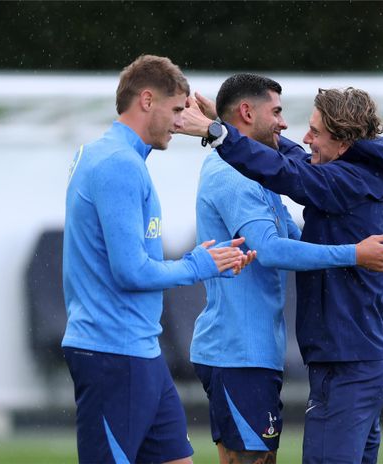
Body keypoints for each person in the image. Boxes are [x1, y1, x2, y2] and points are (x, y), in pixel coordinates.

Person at [181, 87, 383, 463]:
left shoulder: (340, 181)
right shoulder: (356, 176)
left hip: (346, 364)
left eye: (315, 132)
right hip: (358, 360)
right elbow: (290, 165)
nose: (303, 137)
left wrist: (217, 132)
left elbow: (286, 172)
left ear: (343, 143)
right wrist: (223, 127)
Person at [60, 55, 253, 464]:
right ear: (147, 100)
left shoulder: (107, 155)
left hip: (140, 351)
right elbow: (130, 271)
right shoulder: (118, 164)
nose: (182, 122)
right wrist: (199, 265)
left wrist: (207, 261)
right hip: (113, 352)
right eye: (177, 109)